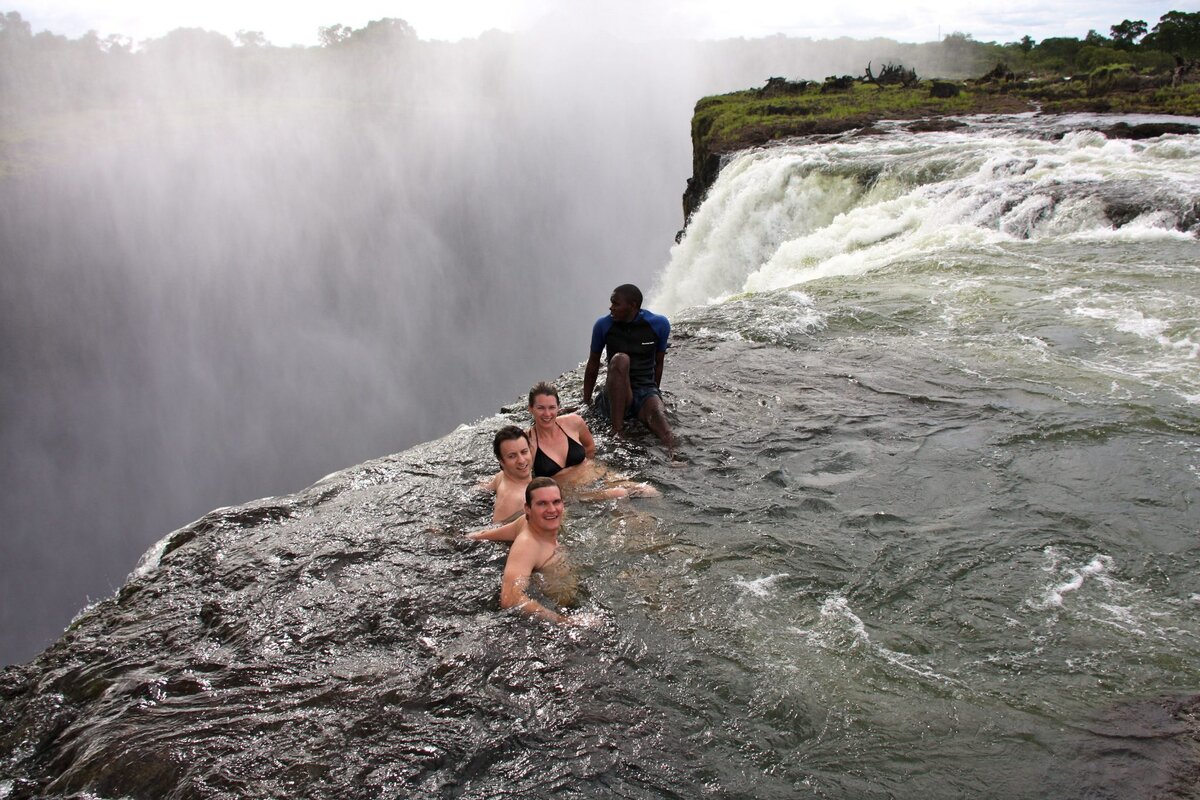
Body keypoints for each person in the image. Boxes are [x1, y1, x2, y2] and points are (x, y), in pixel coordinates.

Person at [474, 477, 589, 625]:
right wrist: (566, 622)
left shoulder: (525, 521)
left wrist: (459, 537)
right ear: (527, 508)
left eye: (556, 502)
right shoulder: (527, 545)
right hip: (562, 610)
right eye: (542, 504)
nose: (552, 510)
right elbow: (509, 598)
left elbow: (486, 535)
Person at [583, 283, 675, 453]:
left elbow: (659, 362)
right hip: (617, 392)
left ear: (632, 305)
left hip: (644, 391)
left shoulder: (659, 324)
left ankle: (674, 458)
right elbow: (593, 365)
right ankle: (618, 431)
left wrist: (656, 393)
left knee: (663, 426)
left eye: (616, 303)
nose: (611, 308)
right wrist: (586, 402)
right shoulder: (603, 326)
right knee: (620, 359)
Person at [526, 382, 596, 483]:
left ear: (558, 407)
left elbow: (590, 447)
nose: (547, 414)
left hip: (593, 477)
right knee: (619, 492)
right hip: (563, 493)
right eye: (540, 408)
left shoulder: (573, 422)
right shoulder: (527, 441)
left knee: (626, 487)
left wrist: (590, 466)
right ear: (530, 409)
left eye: (552, 407)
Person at [480, 426, 533, 523]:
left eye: (524, 452)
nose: (521, 460)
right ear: (501, 461)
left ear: (530, 450)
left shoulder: (501, 475)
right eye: (512, 456)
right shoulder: (514, 499)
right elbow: (494, 531)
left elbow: (483, 488)